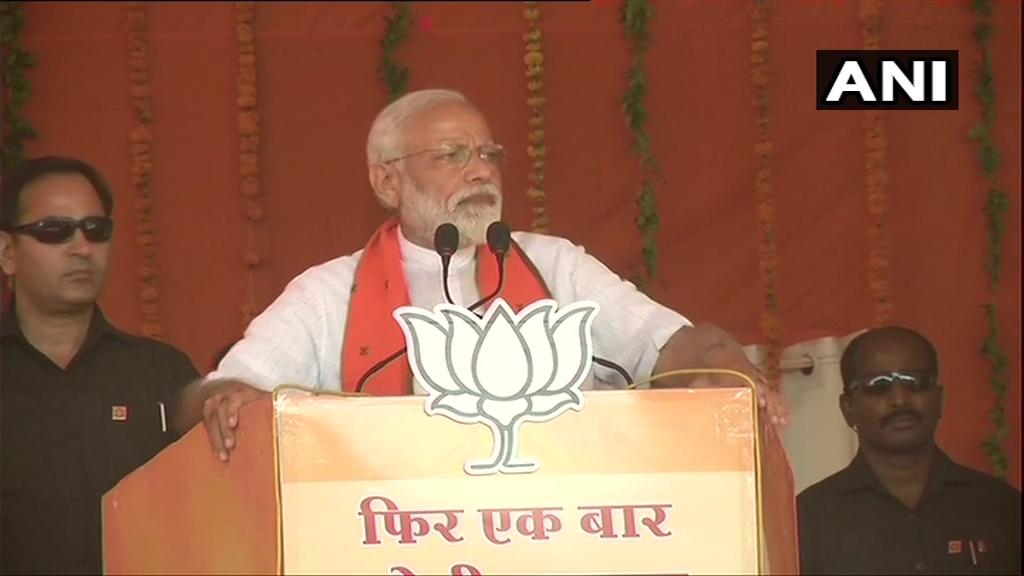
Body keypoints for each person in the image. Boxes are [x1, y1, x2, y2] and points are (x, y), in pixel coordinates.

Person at [174, 88, 785, 461]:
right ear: (387, 181)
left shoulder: (556, 266)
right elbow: (219, 393)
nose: (481, 171)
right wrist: (226, 400)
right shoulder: (328, 295)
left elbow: (672, 345)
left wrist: (724, 361)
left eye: (489, 153)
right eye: (451, 156)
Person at [0, 156, 200, 575]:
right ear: (7, 253)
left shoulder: (161, 373)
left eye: (96, 230)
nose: (81, 248)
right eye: (54, 231)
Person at [797, 326, 1021, 575]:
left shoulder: (1000, 506)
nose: (900, 399)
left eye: (916, 382)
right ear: (848, 407)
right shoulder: (809, 518)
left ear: (939, 399)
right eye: (878, 386)